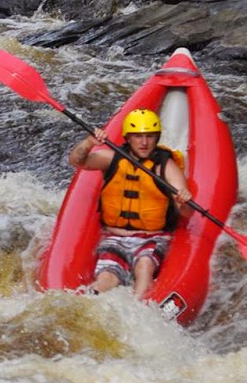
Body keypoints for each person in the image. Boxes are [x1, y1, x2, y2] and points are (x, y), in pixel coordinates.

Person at [67, 108, 190, 301]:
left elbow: (186, 212)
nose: (144, 142)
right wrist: (89, 142)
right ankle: (86, 304)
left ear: (157, 138)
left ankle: (139, 307)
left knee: (144, 265)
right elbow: (77, 161)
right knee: (107, 278)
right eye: (138, 136)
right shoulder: (112, 158)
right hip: (115, 237)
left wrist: (184, 200)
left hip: (152, 238)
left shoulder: (166, 167)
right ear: (128, 138)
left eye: (150, 136)